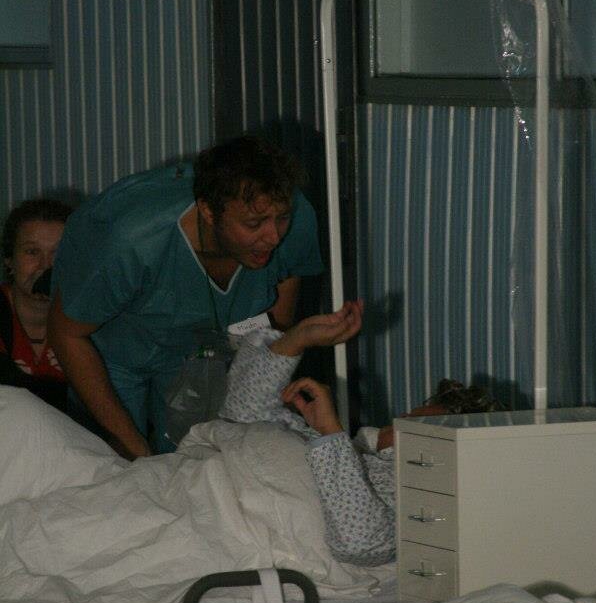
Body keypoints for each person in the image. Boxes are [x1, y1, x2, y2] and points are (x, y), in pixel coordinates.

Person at [48, 136, 324, 459]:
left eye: (282, 219)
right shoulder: (129, 241)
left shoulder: (293, 218)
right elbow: (66, 333)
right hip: (108, 349)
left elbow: (276, 326)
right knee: (119, 461)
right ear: (208, 211)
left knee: (199, 457)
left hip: (197, 350)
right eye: (254, 223)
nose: (273, 236)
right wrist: (130, 443)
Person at [221, 298, 437, 567]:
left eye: (420, 423)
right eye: (410, 414)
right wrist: (298, 339)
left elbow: (361, 544)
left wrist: (330, 434)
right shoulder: (354, 454)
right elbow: (242, 415)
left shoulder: (413, 492)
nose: (403, 419)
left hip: (229, 530)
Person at [0, 197, 72, 412]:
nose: (46, 265)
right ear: (9, 260)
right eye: (32, 252)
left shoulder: (94, 321)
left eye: (59, 253)